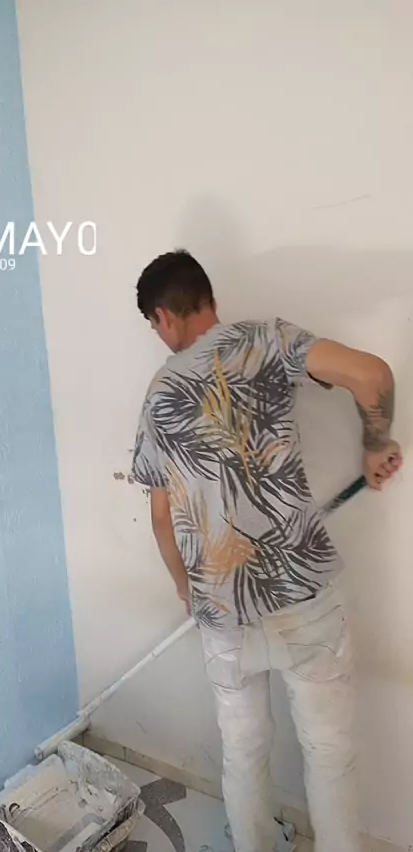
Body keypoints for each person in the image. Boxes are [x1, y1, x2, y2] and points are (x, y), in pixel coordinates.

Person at [131, 249, 402, 852]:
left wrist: (185, 587)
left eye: (155, 326)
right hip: (305, 594)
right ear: (209, 300)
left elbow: (160, 517)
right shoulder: (264, 339)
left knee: (243, 748)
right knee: (329, 751)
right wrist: (375, 445)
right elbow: (372, 374)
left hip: (222, 607)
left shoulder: (159, 394)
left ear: (163, 317)